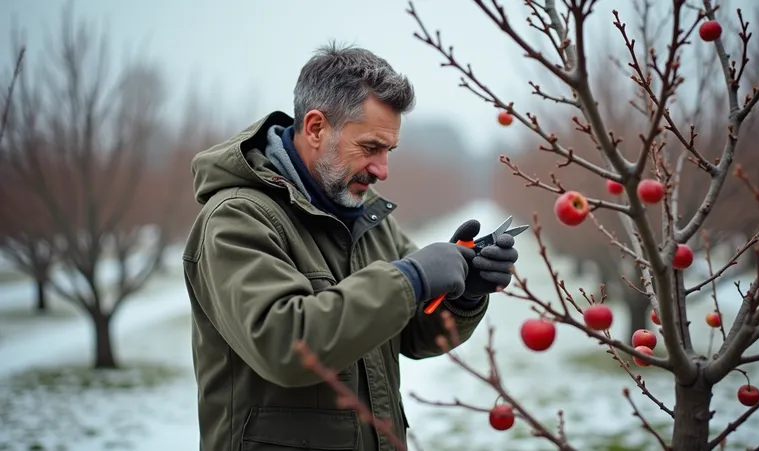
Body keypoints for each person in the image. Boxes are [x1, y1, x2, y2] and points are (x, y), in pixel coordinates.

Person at [182, 42, 520, 451]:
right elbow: (285, 345)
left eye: (389, 150)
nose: (383, 169)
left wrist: (463, 295)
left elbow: (414, 334)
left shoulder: (369, 219)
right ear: (316, 128)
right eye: (370, 148)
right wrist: (411, 277)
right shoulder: (236, 219)